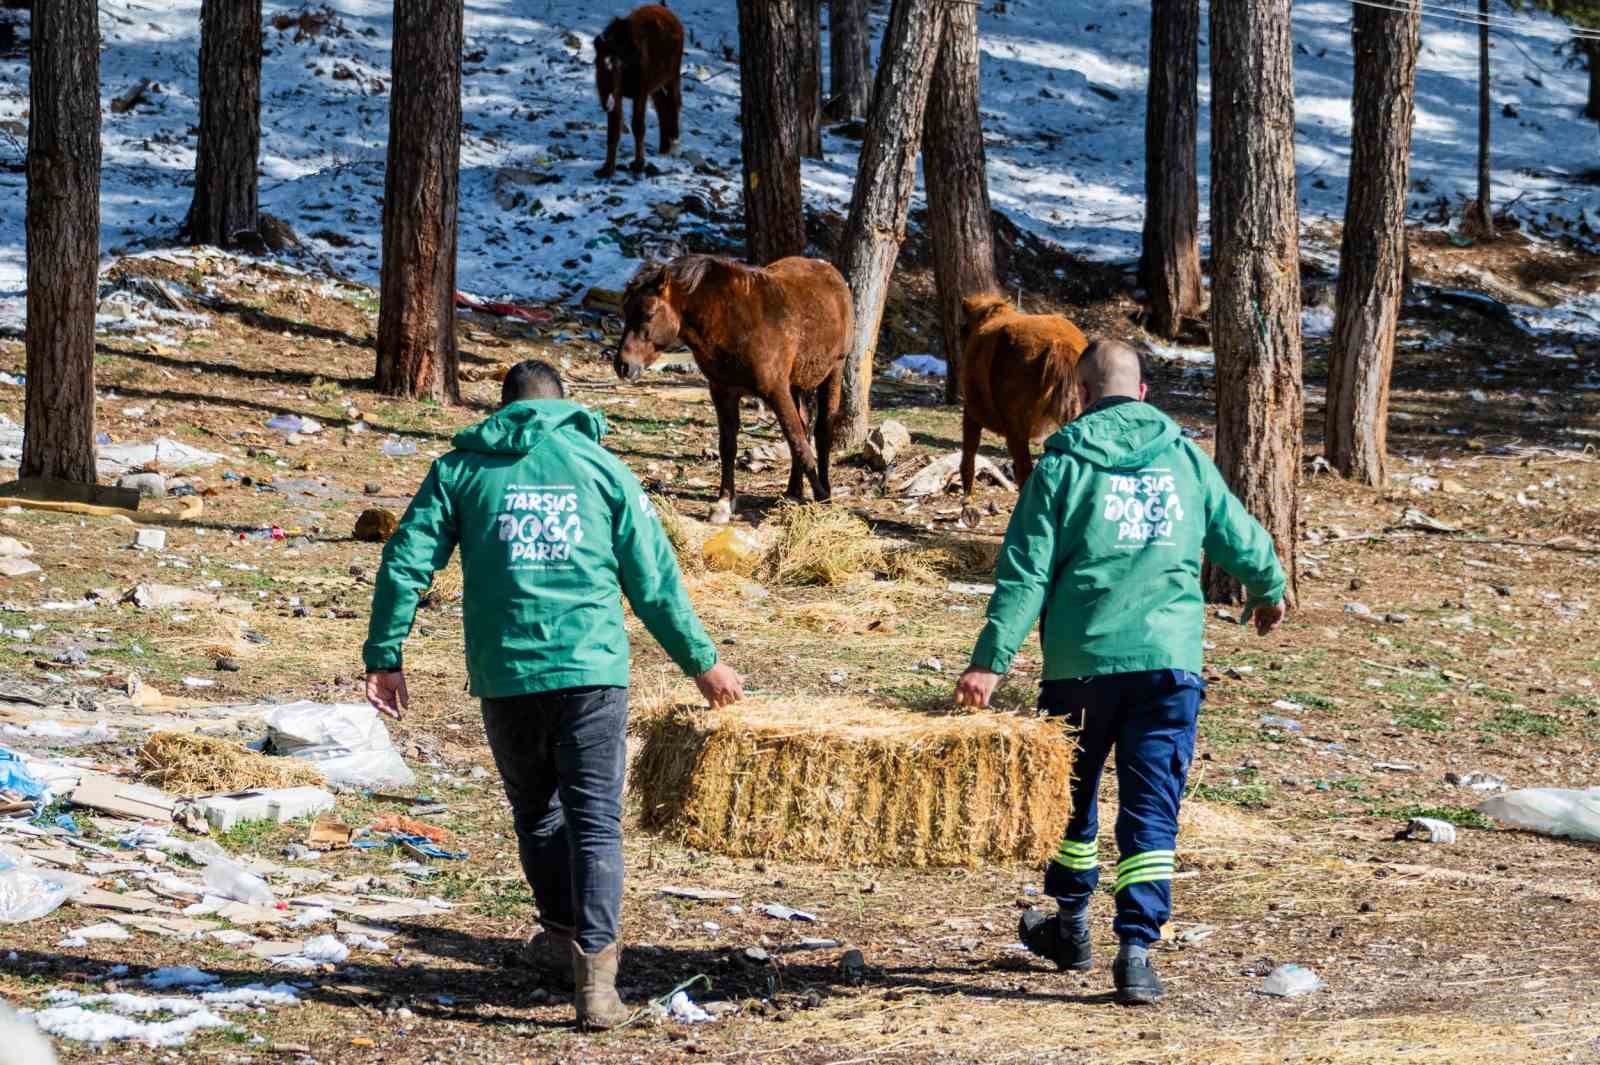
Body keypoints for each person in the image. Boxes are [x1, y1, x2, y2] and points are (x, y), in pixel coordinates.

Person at [363, 359, 744, 1030]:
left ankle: (560, 933)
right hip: (593, 670)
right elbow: (653, 581)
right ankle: (594, 983)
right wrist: (703, 663)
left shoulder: (463, 468)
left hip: (508, 674)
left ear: (503, 406)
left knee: (538, 812)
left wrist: (386, 655)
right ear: (564, 405)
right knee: (594, 820)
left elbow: (405, 558)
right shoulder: (602, 469)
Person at [952, 339, 1286, 1006]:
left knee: (1069, 798)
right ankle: (1135, 952)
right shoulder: (1185, 459)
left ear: (1079, 396)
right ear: (1143, 392)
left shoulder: (1061, 466)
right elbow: (1240, 535)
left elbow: (1025, 573)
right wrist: (1269, 586)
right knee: (1151, 808)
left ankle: (1072, 926)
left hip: (1081, 667)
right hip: (1169, 665)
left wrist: (989, 663)